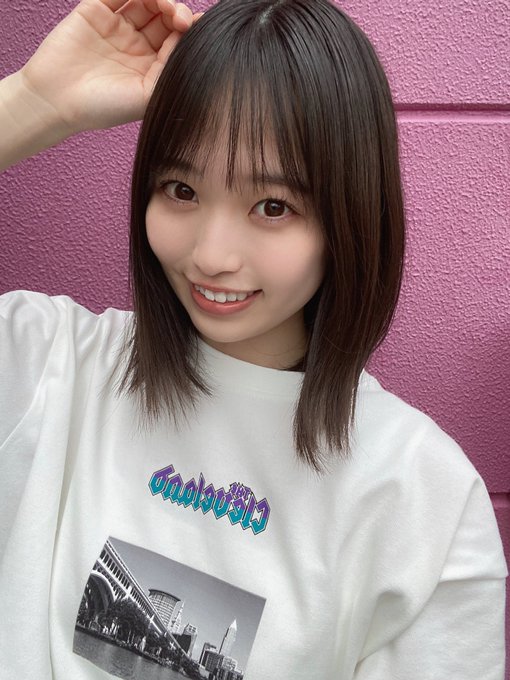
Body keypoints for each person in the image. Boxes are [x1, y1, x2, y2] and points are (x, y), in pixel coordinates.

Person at [0, 0, 507, 678]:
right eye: (181, 189)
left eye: (272, 206)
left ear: (349, 217)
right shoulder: (50, 364)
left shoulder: (423, 500)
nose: (211, 255)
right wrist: (34, 102)